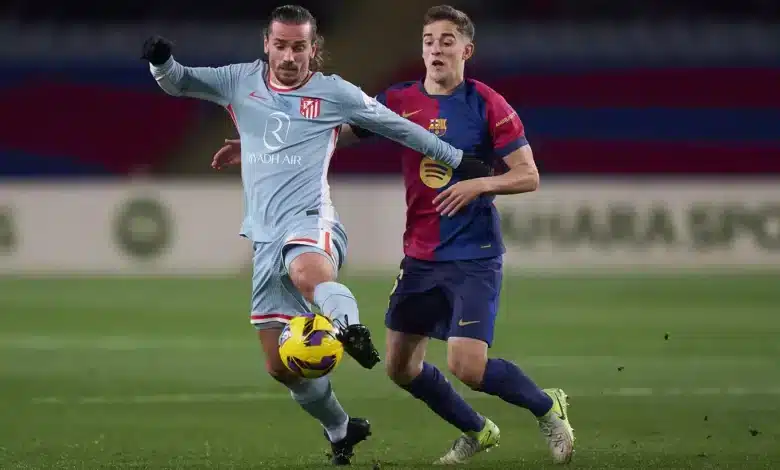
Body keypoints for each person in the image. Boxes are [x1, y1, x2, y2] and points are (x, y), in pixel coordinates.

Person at [212, 5, 576, 466]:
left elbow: (528, 175)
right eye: (428, 40)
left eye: (447, 40)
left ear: (467, 50)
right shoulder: (401, 100)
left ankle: (547, 407)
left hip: (473, 254)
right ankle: (477, 430)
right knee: (400, 368)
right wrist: (256, 144)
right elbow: (326, 129)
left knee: (467, 367)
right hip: (420, 255)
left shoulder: (488, 104)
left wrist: (479, 183)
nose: (436, 49)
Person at [142, 4, 490, 466]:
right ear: (267, 45)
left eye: (299, 47)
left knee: (306, 269)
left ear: (313, 48)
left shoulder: (334, 92)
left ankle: (348, 327)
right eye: (281, 46)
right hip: (264, 237)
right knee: (281, 366)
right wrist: (160, 60)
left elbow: (399, 127)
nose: (289, 56)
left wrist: (455, 159)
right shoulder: (238, 81)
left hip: (312, 221)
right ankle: (342, 429)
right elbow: (178, 80)